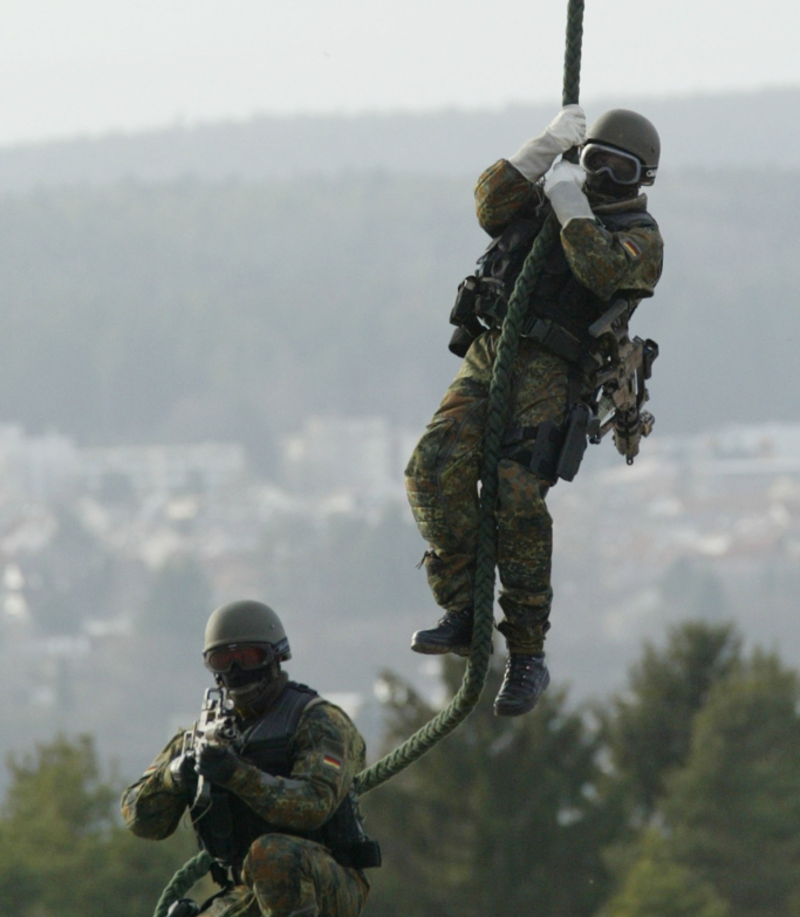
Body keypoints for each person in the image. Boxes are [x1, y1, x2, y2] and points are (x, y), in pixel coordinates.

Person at [405, 106, 664, 717]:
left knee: (515, 494)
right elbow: (490, 206)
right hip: (493, 348)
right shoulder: (551, 196)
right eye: (594, 160)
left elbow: (600, 268)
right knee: (431, 469)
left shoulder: (641, 237)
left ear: (640, 181)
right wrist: (543, 150)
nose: (601, 177)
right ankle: (462, 609)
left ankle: (526, 652)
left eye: (617, 171)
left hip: (554, 367)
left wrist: (573, 204)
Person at [121, 600, 379, 917]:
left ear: (274, 657)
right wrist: (176, 775)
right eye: (223, 660)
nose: (236, 670)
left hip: (327, 882)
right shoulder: (202, 735)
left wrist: (235, 774)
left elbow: (314, 805)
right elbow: (140, 819)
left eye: (247, 657)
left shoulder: (318, 721)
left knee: (272, 853)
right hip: (246, 888)